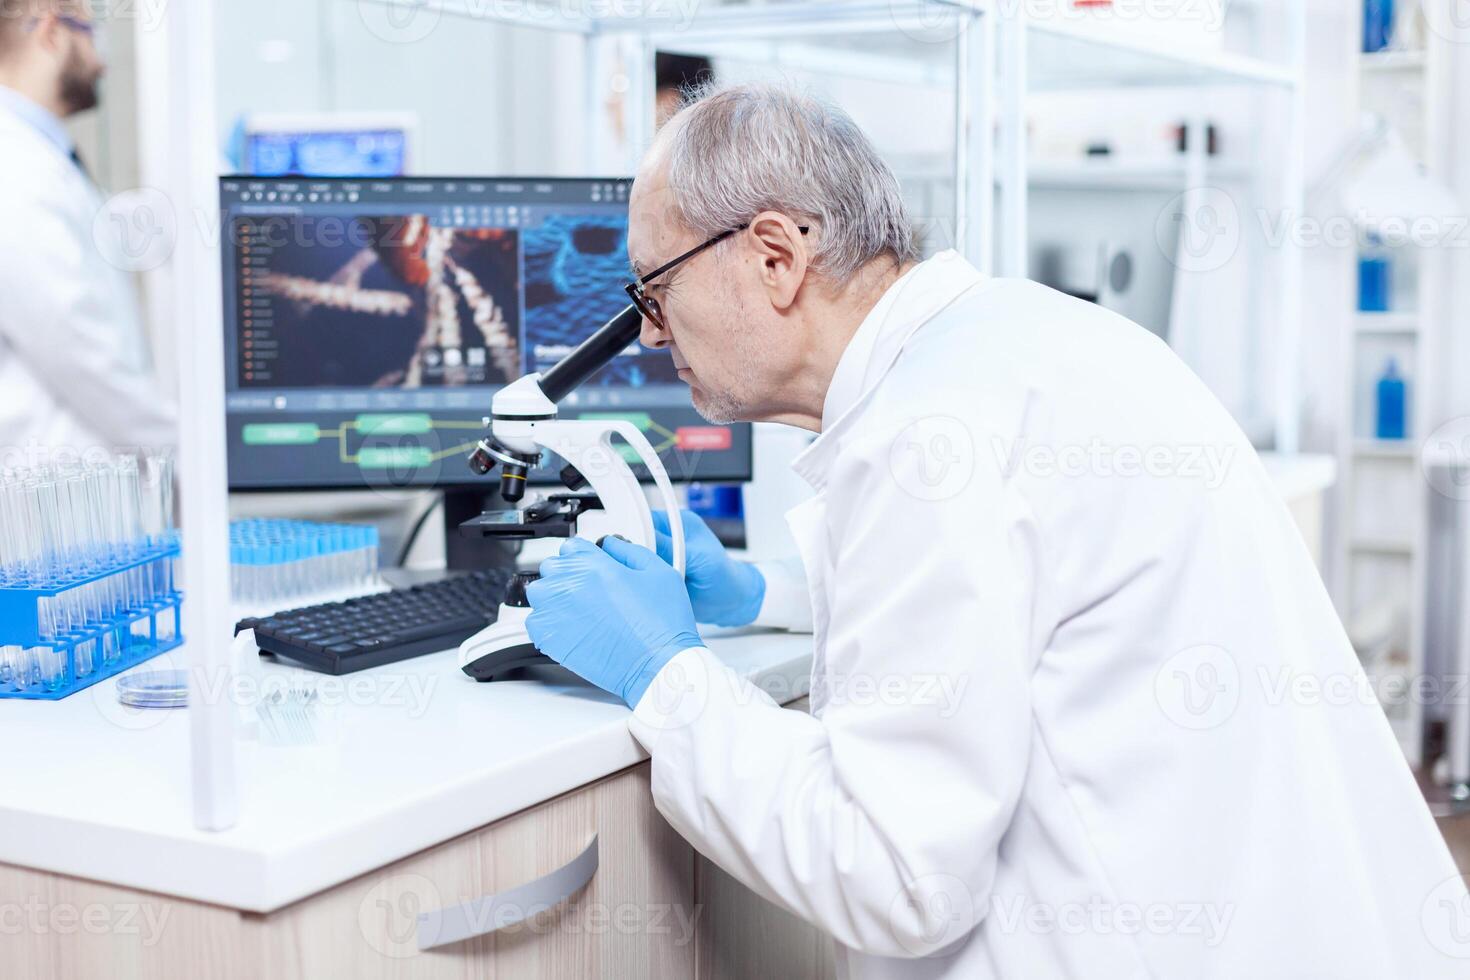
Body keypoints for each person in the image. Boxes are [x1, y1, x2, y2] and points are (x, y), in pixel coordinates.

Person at [523, 83, 1468, 976]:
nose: (650, 333)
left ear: (775, 256)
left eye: (654, 290)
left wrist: (669, 679)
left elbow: (897, 874)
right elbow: (1029, 593)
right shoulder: (1023, 344)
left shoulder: (926, 441)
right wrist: (768, 588)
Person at [0, 0, 175, 466]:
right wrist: (183, 449)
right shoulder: (14, 165)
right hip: (51, 494)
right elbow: (79, 348)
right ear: (51, 33)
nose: (101, 61)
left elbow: (93, 245)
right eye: (90, 33)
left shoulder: (39, 156)